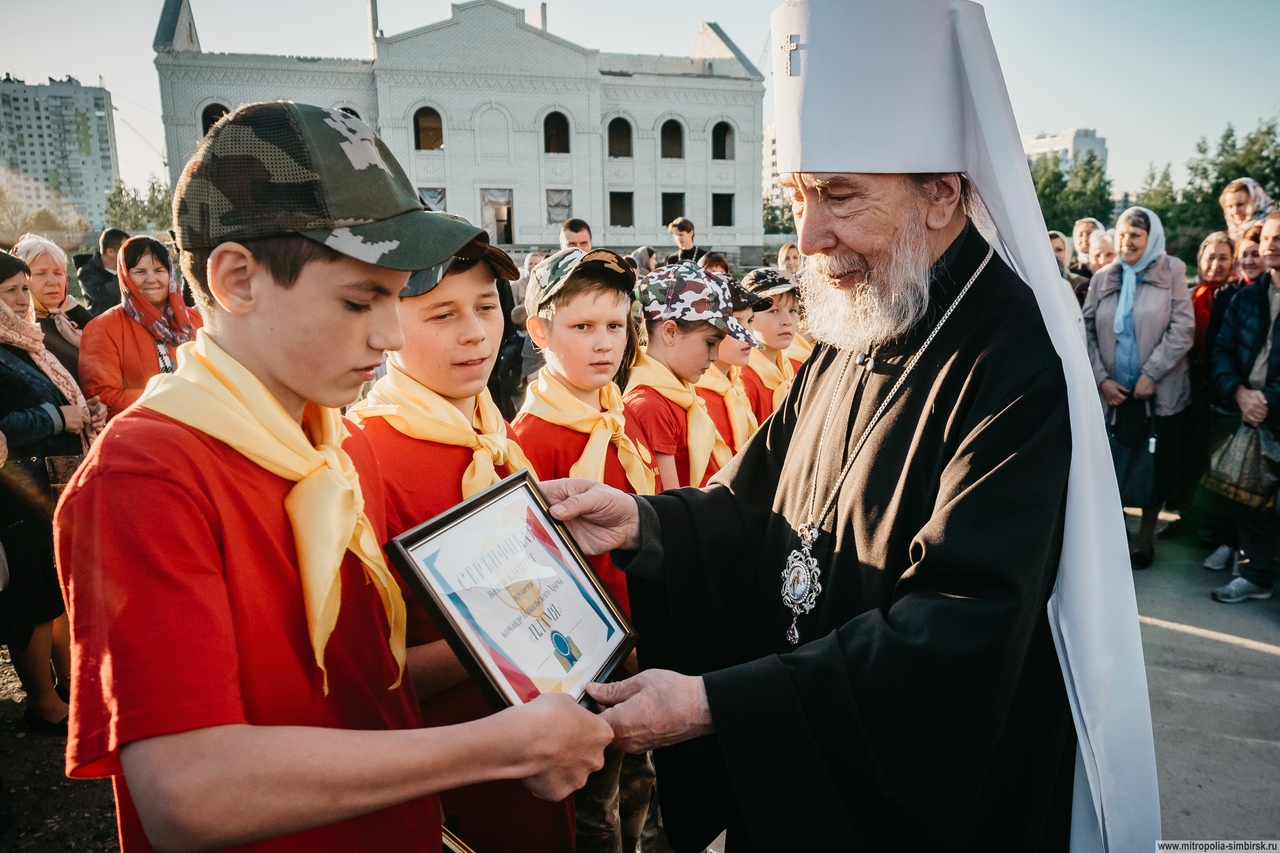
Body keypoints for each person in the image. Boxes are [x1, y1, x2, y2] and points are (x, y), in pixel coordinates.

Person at [541, 1, 1158, 849]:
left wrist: (717, 701)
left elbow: (959, 621)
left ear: (941, 195)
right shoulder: (861, 315)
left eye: (838, 196)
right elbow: (756, 501)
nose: (808, 237)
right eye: (799, 194)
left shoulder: (1012, 361)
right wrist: (641, 523)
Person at [54, 101, 611, 853]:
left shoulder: (328, 445)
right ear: (236, 278)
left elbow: (365, 684)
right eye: (359, 300)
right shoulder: (146, 475)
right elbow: (191, 788)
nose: (387, 335)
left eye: (394, 297)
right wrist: (500, 744)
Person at [348, 227, 587, 851]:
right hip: (450, 776)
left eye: (486, 307)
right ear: (388, 321)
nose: (476, 333)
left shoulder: (494, 436)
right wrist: (496, 628)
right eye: (441, 314)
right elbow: (371, 676)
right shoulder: (363, 457)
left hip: (542, 743)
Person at [511, 247, 658, 853]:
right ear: (540, 331)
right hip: (585, 655)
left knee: (638, 779)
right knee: (594, 801)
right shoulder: (532, 438)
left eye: (615, 326)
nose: (604, 344)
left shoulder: (615, 417)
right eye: (582, 327)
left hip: (638, 634)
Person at [0, 252, 102, 738]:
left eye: (25, 288)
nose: (23, 299)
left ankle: (67, 686)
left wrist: (83, 410)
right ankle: (41, 703)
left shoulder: (27, 341)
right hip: (16, 487)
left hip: (53, 479)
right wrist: (60, 417)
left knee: (58, 589)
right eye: (11, 291)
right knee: (33, 596)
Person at [1082, 207, 1194, 567]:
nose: (1127, 242)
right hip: (1112, 392)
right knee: (1111, 465)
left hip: (1156, 393)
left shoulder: (1172, 271)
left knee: (1153, 464)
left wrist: (1152, 373)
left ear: (1151, 239)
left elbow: (1182, 328)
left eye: (1136, 235)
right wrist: (1101, 379)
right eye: (1123, 234)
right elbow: (1084, 330)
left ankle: (1144, 538)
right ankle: (1116, 533)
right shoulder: (1104, 277)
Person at [623, 263, 753, 490]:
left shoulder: (679, 391)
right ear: (670, 332)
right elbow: (669, 505)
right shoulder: (651, 406)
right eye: (710, 342)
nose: (714, 356)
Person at [1208, 209, 1280, 603]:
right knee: (1253, 497)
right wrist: (1238, 392)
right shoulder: (1246, 296)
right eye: (1267, 237)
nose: (1271, 245)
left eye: (1279, 239)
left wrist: (1267, 399)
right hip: (1248, 412)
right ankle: (1255, 576)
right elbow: (1222, 349)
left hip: (1273, 410)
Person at [78, 236, 204, 420]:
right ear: (125, 276)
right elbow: (101, 397)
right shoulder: (102, 329)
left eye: (159, 270)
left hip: (201, 428)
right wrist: (170, 397)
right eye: (140, 272)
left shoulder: (197, 321)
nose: (151, 279)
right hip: (140, 434)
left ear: (170, 275)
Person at [694, 278, 767, 454]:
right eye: (735, 323)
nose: (748, 333)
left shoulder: (737, 387)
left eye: (750, 321)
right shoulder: (695, 396)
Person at [10, 234, 93, 383]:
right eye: (41, 273)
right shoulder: (14, 332)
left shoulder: (78, 315)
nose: (53, 281)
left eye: (58, 273)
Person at [738, 268, 798, 423]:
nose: (787, 320)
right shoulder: (744, 381)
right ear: (749, 315)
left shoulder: (792, 371)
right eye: (774, 311)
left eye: (793, 310)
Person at [76, 227, 130, 317]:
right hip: (101, 326)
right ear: (110, 252)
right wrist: (124, 271)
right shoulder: (86, 272)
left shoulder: (133, 269)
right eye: (125, 249)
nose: (130, 253)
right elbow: (105, 297)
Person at [1219, 177, 1276, 241]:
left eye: (1240, 204)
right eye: (1230, 206)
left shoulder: (1273, 228)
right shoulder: (1231, 236)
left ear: (1256, 202)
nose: (1235, 211)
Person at [1050, 229, 1090, 304]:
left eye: (1059, 250)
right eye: (1048, 249)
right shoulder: (1033, 283)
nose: (1054, 255)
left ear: (1067, 251)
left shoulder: (1081, 283)